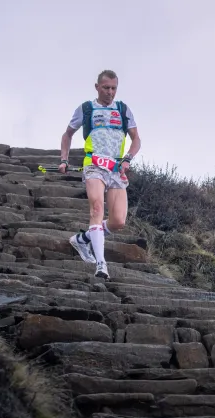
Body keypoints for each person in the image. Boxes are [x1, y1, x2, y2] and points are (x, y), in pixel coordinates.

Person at [59, 69, 141, 280]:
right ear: (97, 87)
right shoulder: (86, 108)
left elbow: (136, 140)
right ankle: (101, 265)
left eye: (113, 88)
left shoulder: (123, 109)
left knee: (118, 222)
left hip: (115, 168)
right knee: (97, 208)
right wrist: (64, 160)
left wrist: (127, 159)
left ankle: (82, 239)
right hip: (94, 164)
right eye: (106, 88)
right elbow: (67, 134)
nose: (110, 92)